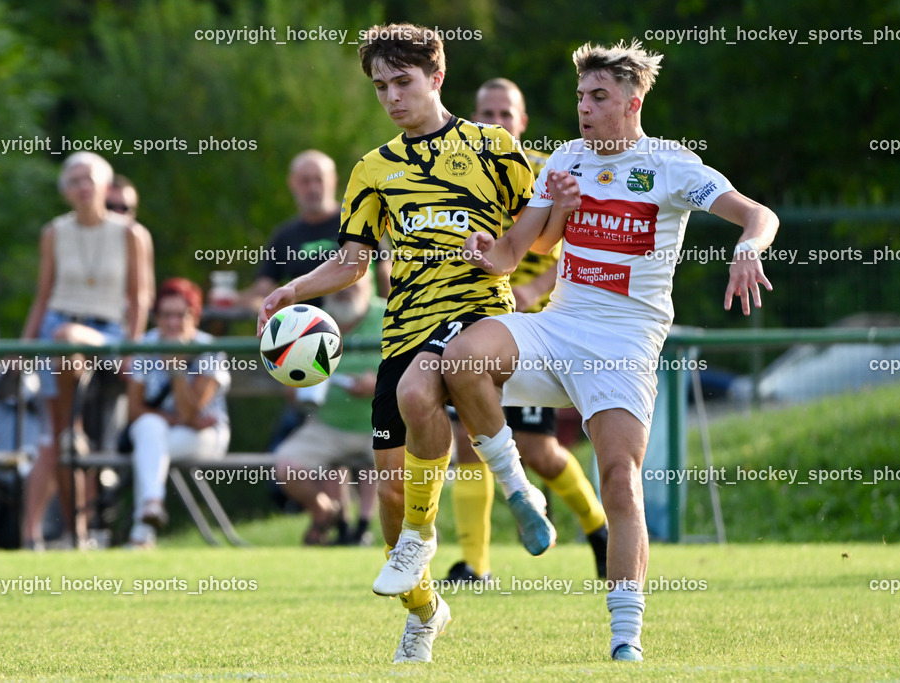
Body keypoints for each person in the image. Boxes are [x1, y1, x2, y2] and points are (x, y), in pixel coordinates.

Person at [443, 39, 779, 662]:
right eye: (579, 97)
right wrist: (496, 250)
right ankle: (520, 492)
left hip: (623, 345)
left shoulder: (672, 164)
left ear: (633, 101)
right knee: (459, 361)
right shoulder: (564, 159)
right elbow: (524, 252)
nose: (585, 109)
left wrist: (748, 249)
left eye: (599, 97)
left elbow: (758, 213)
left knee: (620, 482)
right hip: (558, 324)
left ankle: (626, 638)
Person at [258, 23, 576, 663]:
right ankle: (426, 611)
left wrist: (559, 212)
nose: (392, 97)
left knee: (416, 391)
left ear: (436, 77)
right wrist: (294, 291)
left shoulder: (494, 148)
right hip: (403, 327)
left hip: (476, 312)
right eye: (380, 87)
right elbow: (352, 262)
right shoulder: (374, 169)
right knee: (390, 498)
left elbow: (540, 241)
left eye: (403, 82)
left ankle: (445, 526)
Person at [444, 77, 608, 586]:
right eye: (485, 111)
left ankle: (597, 527)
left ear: (523, 121)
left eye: (505, 113)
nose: (495, 120)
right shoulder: (458, 171)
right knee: (468, 441)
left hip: (532, 331)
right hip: (472, 325)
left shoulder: (549, 170)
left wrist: (532, 290)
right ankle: (475, 564)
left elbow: (577, 253)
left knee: (537, 451)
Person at [20, 151, 148, 549]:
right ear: (65, 189)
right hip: (60, 329)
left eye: (87, 178)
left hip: (106, 334)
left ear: (104, 184)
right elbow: (43, 296)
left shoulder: (130, 234)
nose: (81, 186)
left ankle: (88, 524)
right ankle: (62, 533)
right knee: (58, 438)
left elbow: (140, 296)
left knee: (67, 340)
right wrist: (23, 347)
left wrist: (131, 347)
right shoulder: (54, 232)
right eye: (73, 180)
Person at [272, 275, 382, 546]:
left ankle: (371, 528)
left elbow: (419, 368)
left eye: (353, 281)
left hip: (384, 426)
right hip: (327, 425)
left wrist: (380, 385)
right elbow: (291, 382)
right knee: (286, 465)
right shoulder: (309, 321)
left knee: (399, 464)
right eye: (339, 283)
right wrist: (293, 384)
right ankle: (328, 514)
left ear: (370, 283)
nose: (345, 290)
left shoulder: (391, 316)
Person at [125, 278, 230, 548]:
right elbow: (134, 411)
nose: (172, 323)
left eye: (180, 315)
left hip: (206, 437)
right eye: (165, 315)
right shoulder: (145, 344)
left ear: (194, 316)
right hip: (164, 430)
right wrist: (174, 419)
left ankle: (141, 536)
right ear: (156, 317)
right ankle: (151, 506)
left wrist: (176, 370)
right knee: (149, 429)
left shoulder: (208, 348)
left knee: (149, 447)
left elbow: (193, 412)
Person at [242, 150, 391, 309]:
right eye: (305, 181)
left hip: (361, 328)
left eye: (319, 179)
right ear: (292, 183)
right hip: (303, 328)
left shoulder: (359, 221)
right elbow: (261, 292)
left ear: (333, 180)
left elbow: (389, 279)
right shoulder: (284, 237)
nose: (312, 188)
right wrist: (231, 300)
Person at [107, 175, 156, 314]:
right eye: (110, 207)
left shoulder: (140, 236)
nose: (119, 213)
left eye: (125, 208)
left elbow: (147, 294)